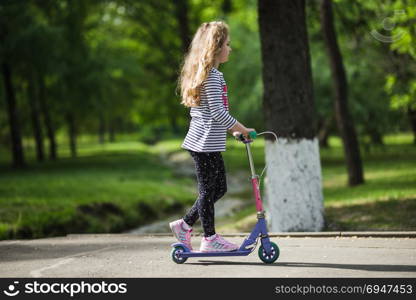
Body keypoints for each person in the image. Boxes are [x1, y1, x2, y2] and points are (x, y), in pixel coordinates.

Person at [169, 21, 255, 252]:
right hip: (204, 143)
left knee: (219, 188)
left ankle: (185, 224)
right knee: (208, 190)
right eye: (227, 44)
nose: (230, 48)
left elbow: (211, 112)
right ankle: (209, 238)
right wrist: (242, 128)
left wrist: (234, 130)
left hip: (206, 142)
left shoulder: (207, 75)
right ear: (215, 47)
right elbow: (217, 112)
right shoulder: (212, 76)